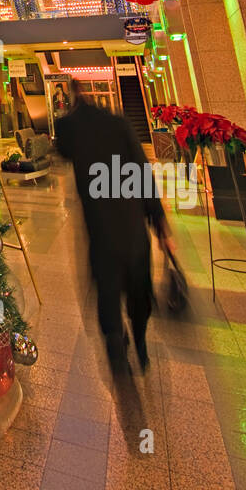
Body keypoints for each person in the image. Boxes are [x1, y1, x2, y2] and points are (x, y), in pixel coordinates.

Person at [55, 77, 173, 372]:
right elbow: (143, 173)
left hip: (100, 226)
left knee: (107, 289)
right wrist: (159, 221)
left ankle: (115, 345)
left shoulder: (70, 127)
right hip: (132, 223)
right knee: (138, 288)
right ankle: (141, 340)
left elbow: (62, 151)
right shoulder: (121, 125)